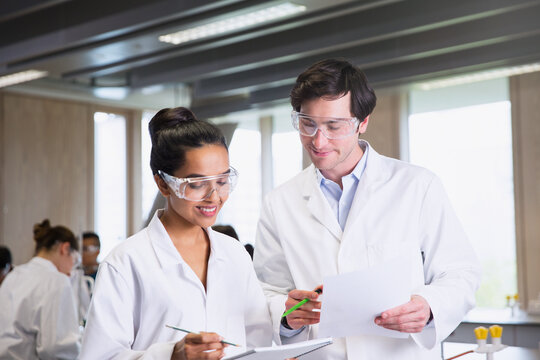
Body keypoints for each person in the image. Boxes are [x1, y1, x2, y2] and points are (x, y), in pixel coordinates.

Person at [253, 59, 481, 360]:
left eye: (333, 126)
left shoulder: (417, 186)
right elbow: (266, 291)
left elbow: (460, 272)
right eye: (308, 123)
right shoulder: (279, 202)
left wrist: (428, 307)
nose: (318, 140)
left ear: (363, 122)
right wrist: (286, 314)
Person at [80, 107, 272, 359]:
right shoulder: (126, 262)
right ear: (163, 183)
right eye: (196, 184)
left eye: (222, 181)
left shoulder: (235, 253)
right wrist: (172, 355)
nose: (214, 197)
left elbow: (259, 341)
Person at [0, 219, 81, 359]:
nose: (70, 272)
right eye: (74, 262)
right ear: (65, 248)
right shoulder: (56, 280)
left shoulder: (13, 276)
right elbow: (57, 349)